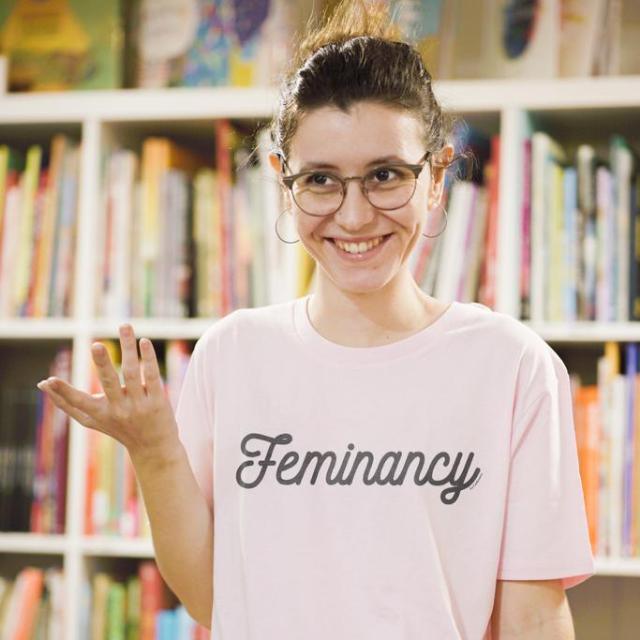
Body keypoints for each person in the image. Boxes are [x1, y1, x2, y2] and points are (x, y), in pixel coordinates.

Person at [37, 1, 595, 638]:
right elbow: (211, 600)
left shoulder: (512, 366)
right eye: (322, 180)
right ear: (284, 181)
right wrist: (154, 452)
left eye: (385, 175)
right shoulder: (231, 354)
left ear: (437, 176)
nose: (354, 216)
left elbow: (535, 617)